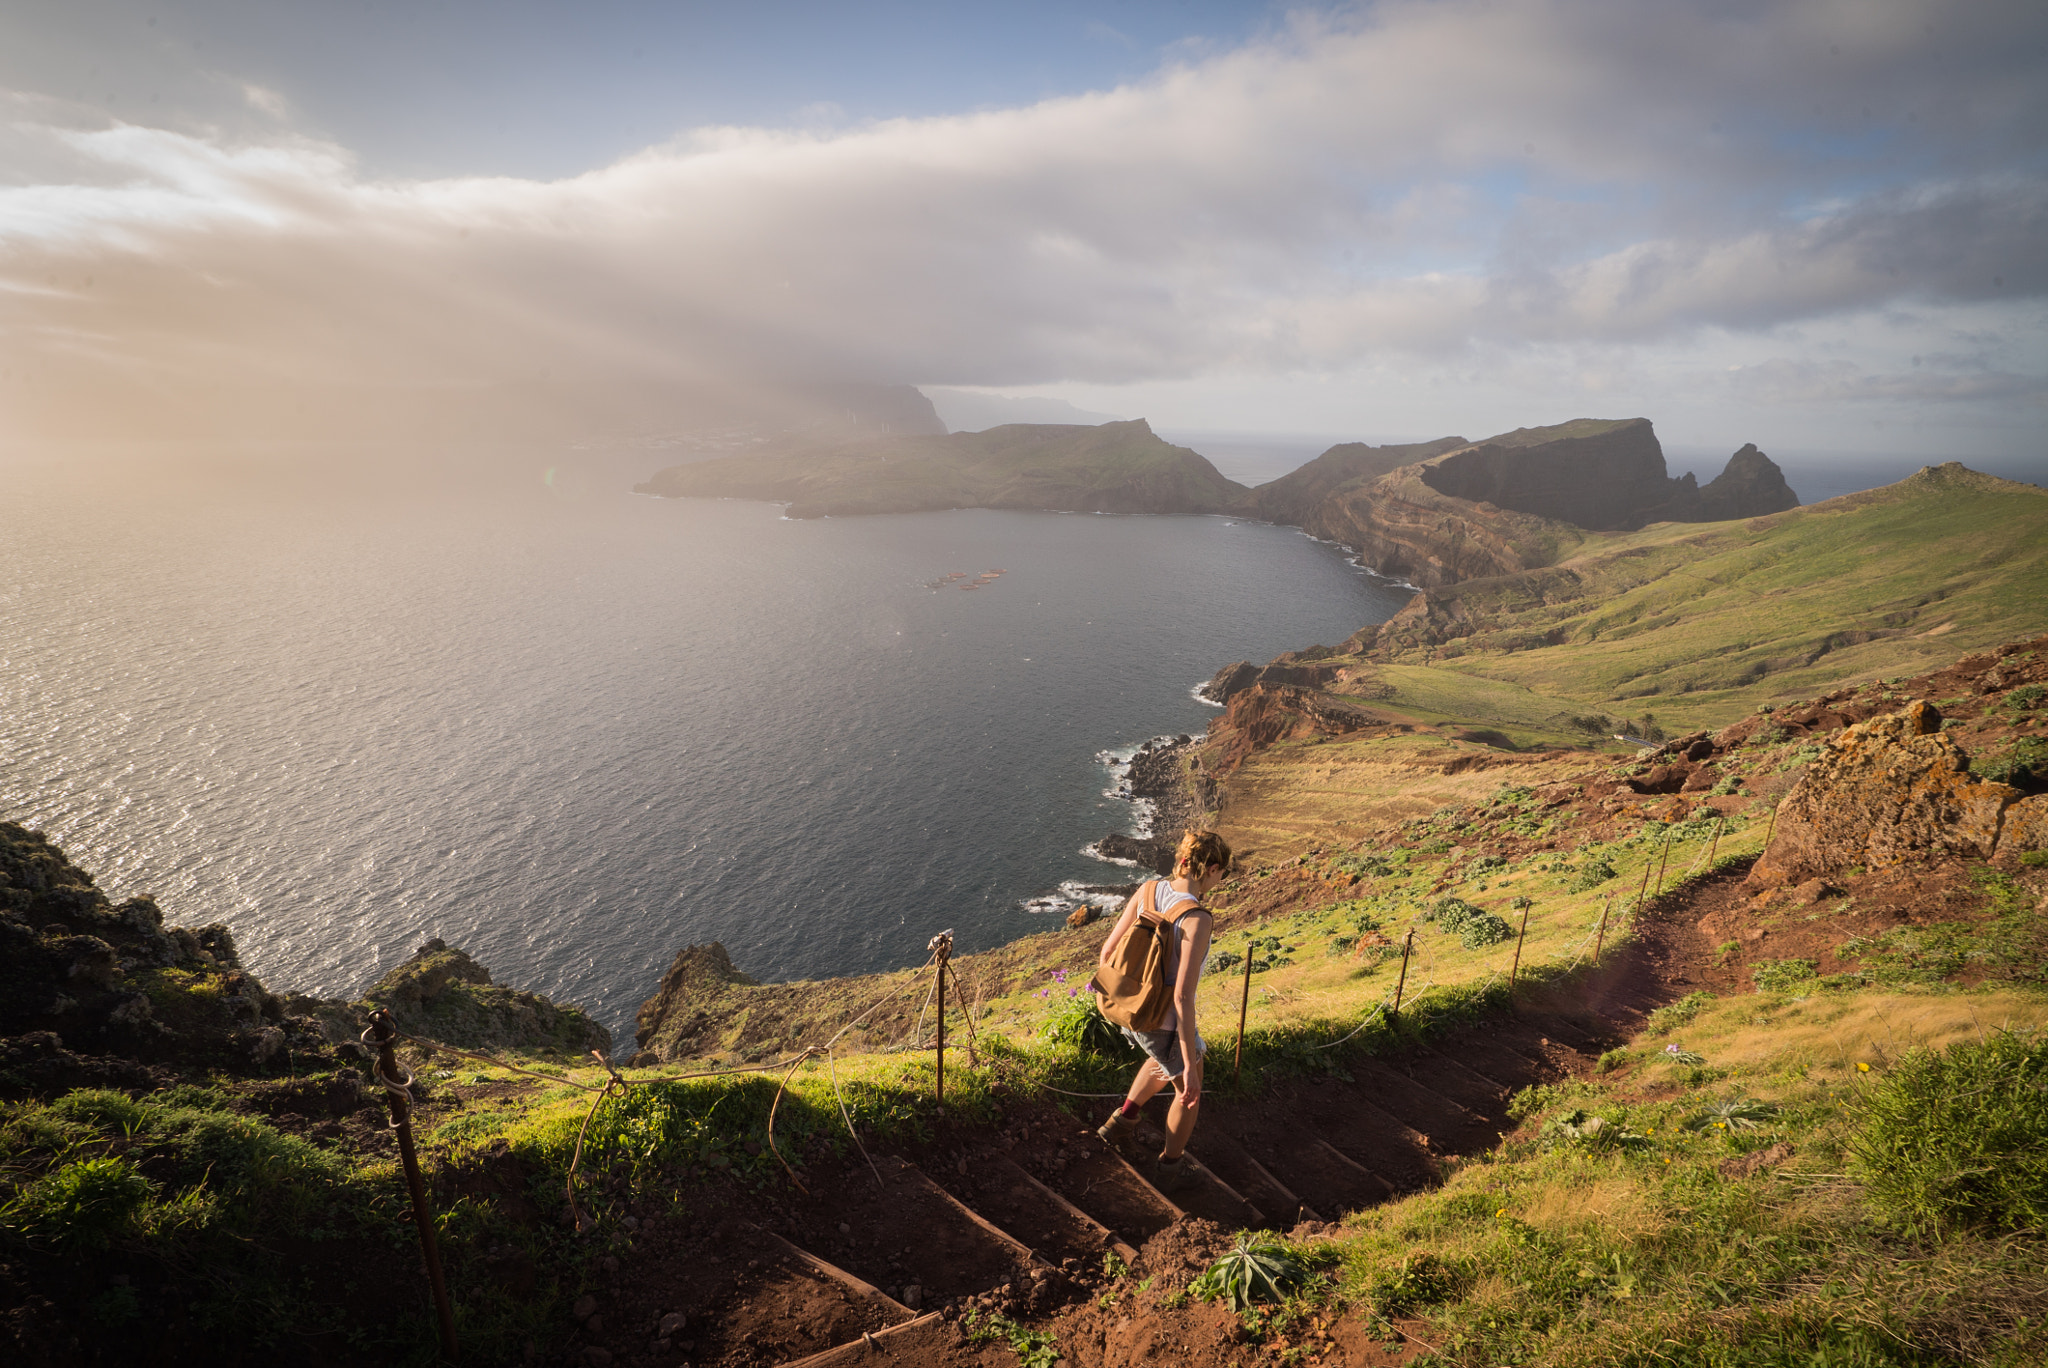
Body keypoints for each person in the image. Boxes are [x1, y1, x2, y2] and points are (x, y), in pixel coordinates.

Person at [1093, 828, 1230, 1192]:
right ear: (1211, 868)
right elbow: (1183, 997)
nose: (1221, 880)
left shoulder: (1148, 891)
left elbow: (1107, 953)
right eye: (1222, 873)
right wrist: (1189, 1061)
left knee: (1160, 1061)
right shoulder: (1197, 919)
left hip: (1129, 1008)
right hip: (1164, 1022)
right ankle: (1170, 1167)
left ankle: (1121, 1122)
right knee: (1189, 1093)